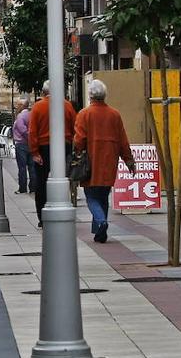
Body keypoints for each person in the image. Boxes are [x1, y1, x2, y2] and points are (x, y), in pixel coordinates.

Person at [74, 80, 135, 243]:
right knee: (103, 196)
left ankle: (101, 222)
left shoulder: (84, 114)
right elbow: (123, 140)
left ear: (90, 95)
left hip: (91, 162)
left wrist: (75, 153)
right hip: (109, 161)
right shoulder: (114, 114)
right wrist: (129, 160)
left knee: (91, 196)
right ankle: (100, 233)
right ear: (104, 95)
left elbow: (79, 140)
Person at [29, 81, 77, 228]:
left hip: (44, 148)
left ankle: (42, 217)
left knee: (41, 183)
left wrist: (35, 152)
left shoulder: (37, 107)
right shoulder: (67, 106)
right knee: (64, 179)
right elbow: (75, 127)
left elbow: (32, 132)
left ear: (43, 93)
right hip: (64, 146)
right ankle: (64, 209)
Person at [12, 98, 34, 194]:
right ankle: (33, 187)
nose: (16, 107)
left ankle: (23, 188)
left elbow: (23, 130)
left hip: (21, 144)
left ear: (22, 106)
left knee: (22, 167)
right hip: (31, 144)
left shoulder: (20, 116)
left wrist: (28, 137)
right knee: (32, 167)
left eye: (18, 105)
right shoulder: (31, 114)